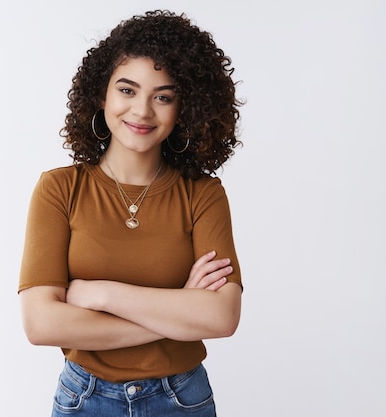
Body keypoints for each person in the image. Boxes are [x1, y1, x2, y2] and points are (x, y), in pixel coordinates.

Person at [19, 9, 243, 417]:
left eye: (163, 96)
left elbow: (222, 316)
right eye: (127, 90)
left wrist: (102, 294)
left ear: (185, 108)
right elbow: (41, 324)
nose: (142, 111)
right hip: (85, 398)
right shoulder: (59, 189)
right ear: (101, 95)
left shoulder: (203, 195)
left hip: (182, 398)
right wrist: (178, 311)